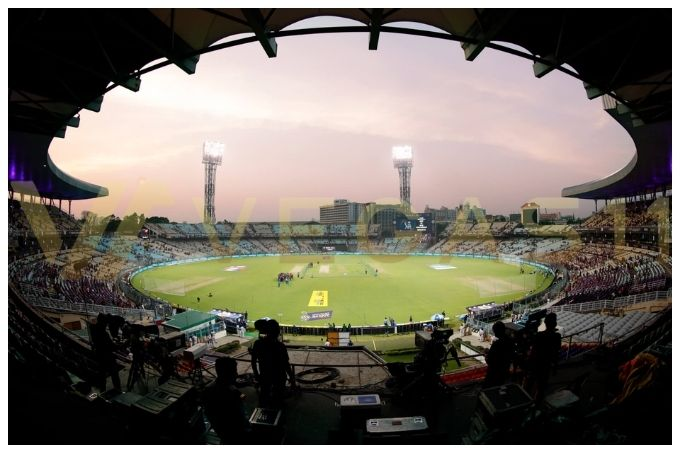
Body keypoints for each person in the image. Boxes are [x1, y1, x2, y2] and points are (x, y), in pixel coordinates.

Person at [203, 357, 250, 444]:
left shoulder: (209, 389)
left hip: (223, 434)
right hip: (235, 435)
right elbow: (240, 420)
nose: (236, 374)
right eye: (234, 371)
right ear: (227, 373)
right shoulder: (230, 393)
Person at [250, 319, 296, 408]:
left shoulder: (258, 344)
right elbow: (286, 365)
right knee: (278, 400)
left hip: (264, 376)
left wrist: (257, 375)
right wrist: (292, 379)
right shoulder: (280, 346)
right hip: (279, 377)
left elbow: (253, 361)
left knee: (264, 398)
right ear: (277, 332)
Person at [524, 312, 562, 402]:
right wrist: (555, 367)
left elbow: (533, 351)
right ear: (555, 324)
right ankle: (537, 404)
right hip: (546, 365)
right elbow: (556, 353)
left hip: (536, 364)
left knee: (529, 385)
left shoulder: (539, 335)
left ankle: (525, 403)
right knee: (541, 388)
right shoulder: (557, 336)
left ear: (545, 323)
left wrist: (528, 364)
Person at [90, 313, 121, 393]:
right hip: (107, 357)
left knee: (102, 376)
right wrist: (120, 345)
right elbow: (112, 347)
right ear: (103, 322)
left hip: (99, 356)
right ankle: (118, 391)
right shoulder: (103, 333)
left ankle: (102, 391)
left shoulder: (94, 329)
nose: (106, 325)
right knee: (114, 375)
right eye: (106, 323)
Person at [483, 321, 514, 388]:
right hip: (504, 371)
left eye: (494, 331)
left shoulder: (497, 344)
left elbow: (490, 361)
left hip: (494, 373)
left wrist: (486, 355)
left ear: (496, 331)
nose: (494, 333)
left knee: (487, 389)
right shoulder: (510, 341)